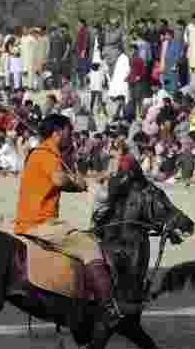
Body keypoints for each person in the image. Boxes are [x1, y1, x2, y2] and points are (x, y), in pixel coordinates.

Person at [14, 114, 122, 326]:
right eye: (68, 131)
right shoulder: (47, 153)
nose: (71, 134)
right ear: (58, 132)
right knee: (90, 246)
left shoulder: (43, 153)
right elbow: (59, 179)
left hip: (32, 220)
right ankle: (109, 307)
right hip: (40, 223)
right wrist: (78, 184)